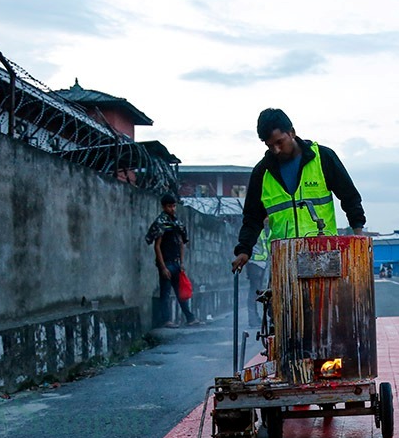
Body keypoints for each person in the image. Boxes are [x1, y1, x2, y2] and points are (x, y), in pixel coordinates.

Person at [231, 108, 366, 273]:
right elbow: (252, 217)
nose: (276, 150)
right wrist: (244, 249)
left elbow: (349, 197)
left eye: (280, 142)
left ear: (292, 132)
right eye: (270, 145)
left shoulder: (322, 158)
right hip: (283, 260)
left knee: (324, 299)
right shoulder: (262, 172)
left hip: (323, 254)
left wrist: (358, 232)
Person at [147, 194, 201, 327]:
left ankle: (190, 318)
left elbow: (181, 243)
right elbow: (157, 246)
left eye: (174, 206)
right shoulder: (161, 223)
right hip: (166, 262)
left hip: (176, 263)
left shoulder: (176, 223)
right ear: (164, 207)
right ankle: (166, 320)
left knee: (181, 292)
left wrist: (182, 263)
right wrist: (163, 266)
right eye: (170, 206)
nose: (173, 209)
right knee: (165, 293)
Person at [245, 219, 271, 328]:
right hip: (254, 263)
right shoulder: (255, 228)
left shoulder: (266, 230)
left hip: (262, 263)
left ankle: (257, 318)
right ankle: (253, 319)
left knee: (258, 291)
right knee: (254, 291)